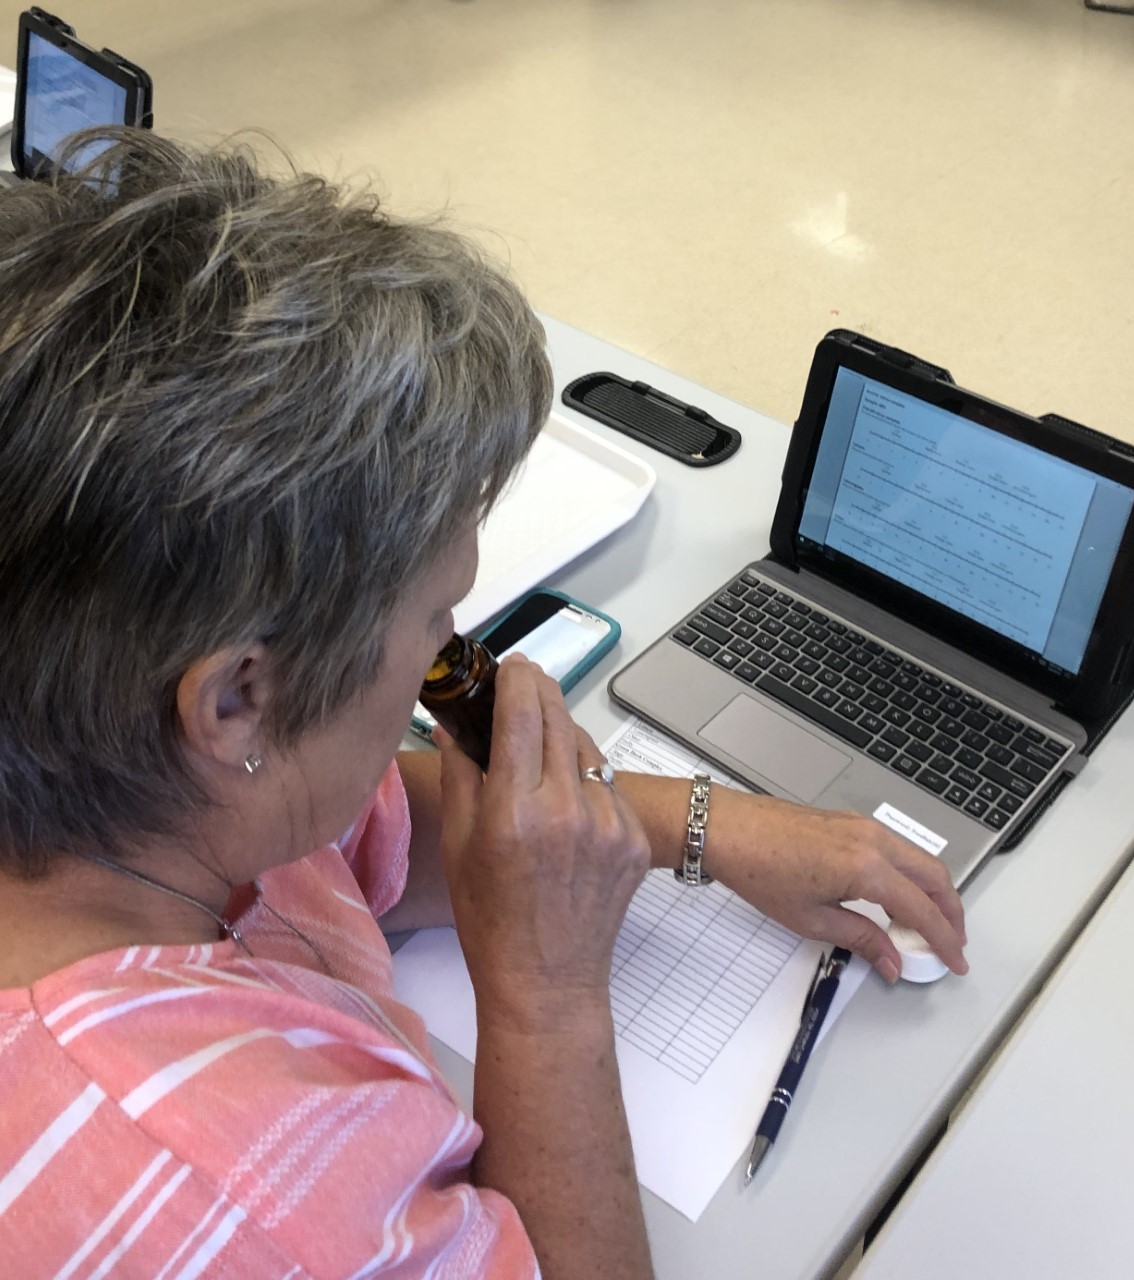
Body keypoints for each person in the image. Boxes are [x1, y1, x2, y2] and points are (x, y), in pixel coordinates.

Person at [0, 131, 966, 1280]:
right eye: (430, 621)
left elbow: (366, 843)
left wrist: (706, 824)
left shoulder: (128, 766)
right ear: (237, 699)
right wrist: (548, 994)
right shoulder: (235, 1196)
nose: (449, 658)